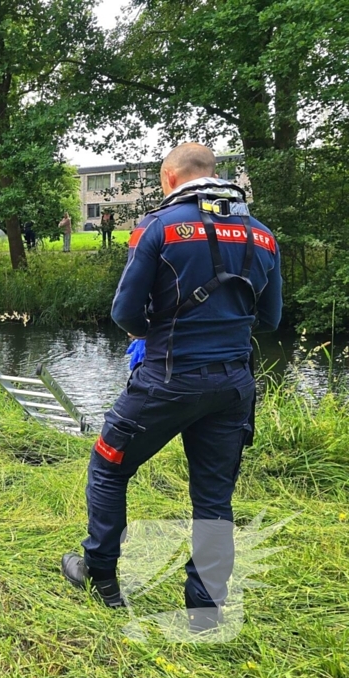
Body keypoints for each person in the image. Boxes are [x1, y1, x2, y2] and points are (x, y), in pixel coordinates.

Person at [61, 143, 282, 633]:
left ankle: (101, 579)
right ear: (214, 174)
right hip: (233, 385)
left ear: (169, 178)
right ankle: (205, 611)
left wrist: (151, 334)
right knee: (213, 500)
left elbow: (124, 312)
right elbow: (269, 319)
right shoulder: (263, 235)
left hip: (166, 380)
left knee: (108, 466)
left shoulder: (159, 228)